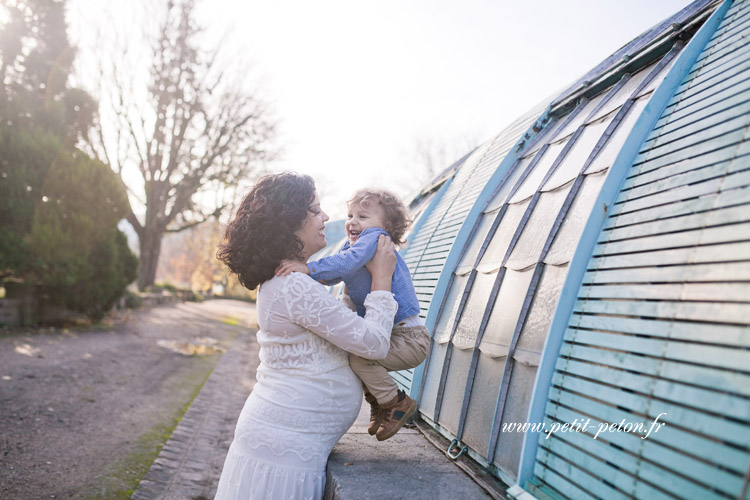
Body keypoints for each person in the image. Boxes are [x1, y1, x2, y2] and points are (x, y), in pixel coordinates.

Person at [214, 173, 398, 500]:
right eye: (315, 210)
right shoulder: (294, 286)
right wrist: (382, 278)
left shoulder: (287, 283)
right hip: (283, 458)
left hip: (282, 450)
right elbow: (374, 343)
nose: (326, 217)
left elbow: (336, 326)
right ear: (289, 223)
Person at [275, 188, 429, 442]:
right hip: (396, 334)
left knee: (360, 359)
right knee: (355, 355)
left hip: (408, 338)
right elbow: (337, 272)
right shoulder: (354, 246)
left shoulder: (375, 238)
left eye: (363, 216)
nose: (353, 222)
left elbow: (347, 262)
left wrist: (307, 267)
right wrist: (308, 274)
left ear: (385, 226)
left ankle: (396, 402)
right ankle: (381, 405)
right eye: (350, 215)